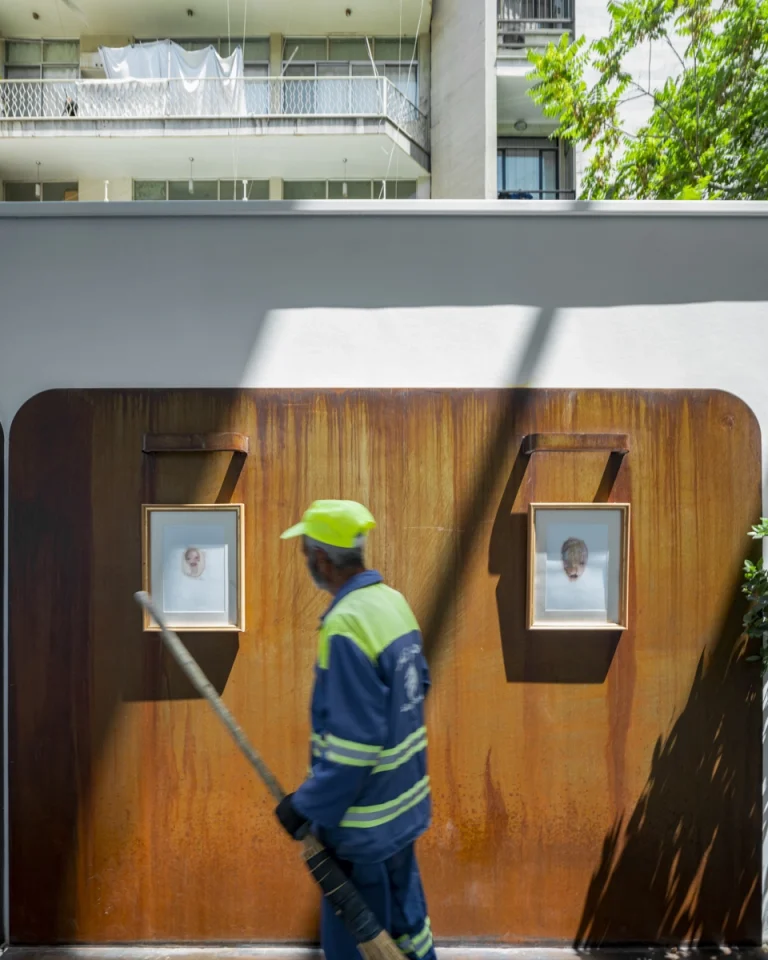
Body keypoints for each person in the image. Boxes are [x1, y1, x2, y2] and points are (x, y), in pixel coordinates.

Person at [275, 499, 435, 960]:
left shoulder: (345, 624)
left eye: (306, 552)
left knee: (357, 942)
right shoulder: (393, 603)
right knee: (409, 928)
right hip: (404, 807)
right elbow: (418, 686)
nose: (307, 562)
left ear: (320, 558)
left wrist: (304, 805)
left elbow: (354, 746)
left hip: (363, 824)